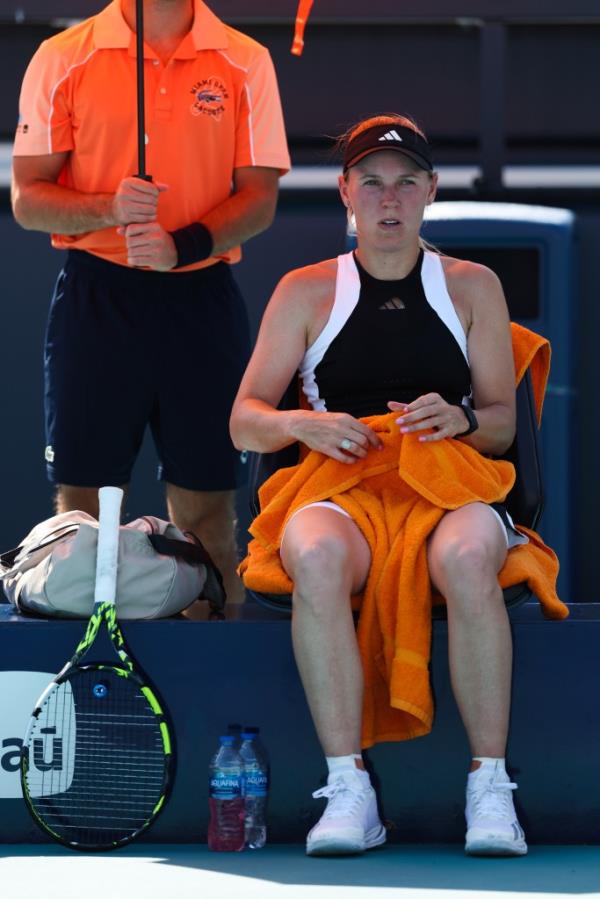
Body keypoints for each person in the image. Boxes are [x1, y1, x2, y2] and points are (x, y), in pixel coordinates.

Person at [230, 113, 566, 856]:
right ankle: (348, 787)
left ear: (430, 193)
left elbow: (504, 425)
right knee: (311, 554)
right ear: (346, 192)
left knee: (472, 555)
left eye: (406, 183)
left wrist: (459, 417)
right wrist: (305, 427)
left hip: (449, 483)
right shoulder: (305, 290)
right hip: (339, 487)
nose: (390, 199)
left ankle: (490, 787)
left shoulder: (473, 287)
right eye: (372, 183)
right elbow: (245, 420)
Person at [11, 0, 290, 604]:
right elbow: (28, 199)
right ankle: (91, 688)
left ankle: (208, 685)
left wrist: (179, 247)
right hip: (96, 300)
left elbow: (259, 199)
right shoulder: (62, 56)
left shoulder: (246, 60)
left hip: (201, 302)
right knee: (80, 519)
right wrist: (109, 208)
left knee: (209, 520)